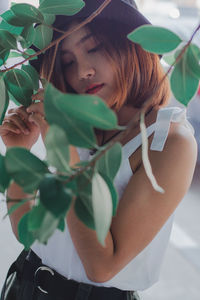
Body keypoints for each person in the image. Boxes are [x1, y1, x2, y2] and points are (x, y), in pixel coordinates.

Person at [0, 0, 197, 299]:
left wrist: (63, 153)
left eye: (94, 48)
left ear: (130, 43)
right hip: (23, 283)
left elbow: (102, 267)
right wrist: (19, 152)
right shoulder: (80, 121)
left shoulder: (169, 141)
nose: (83, 70)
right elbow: (29, 233)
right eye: (67, 61)